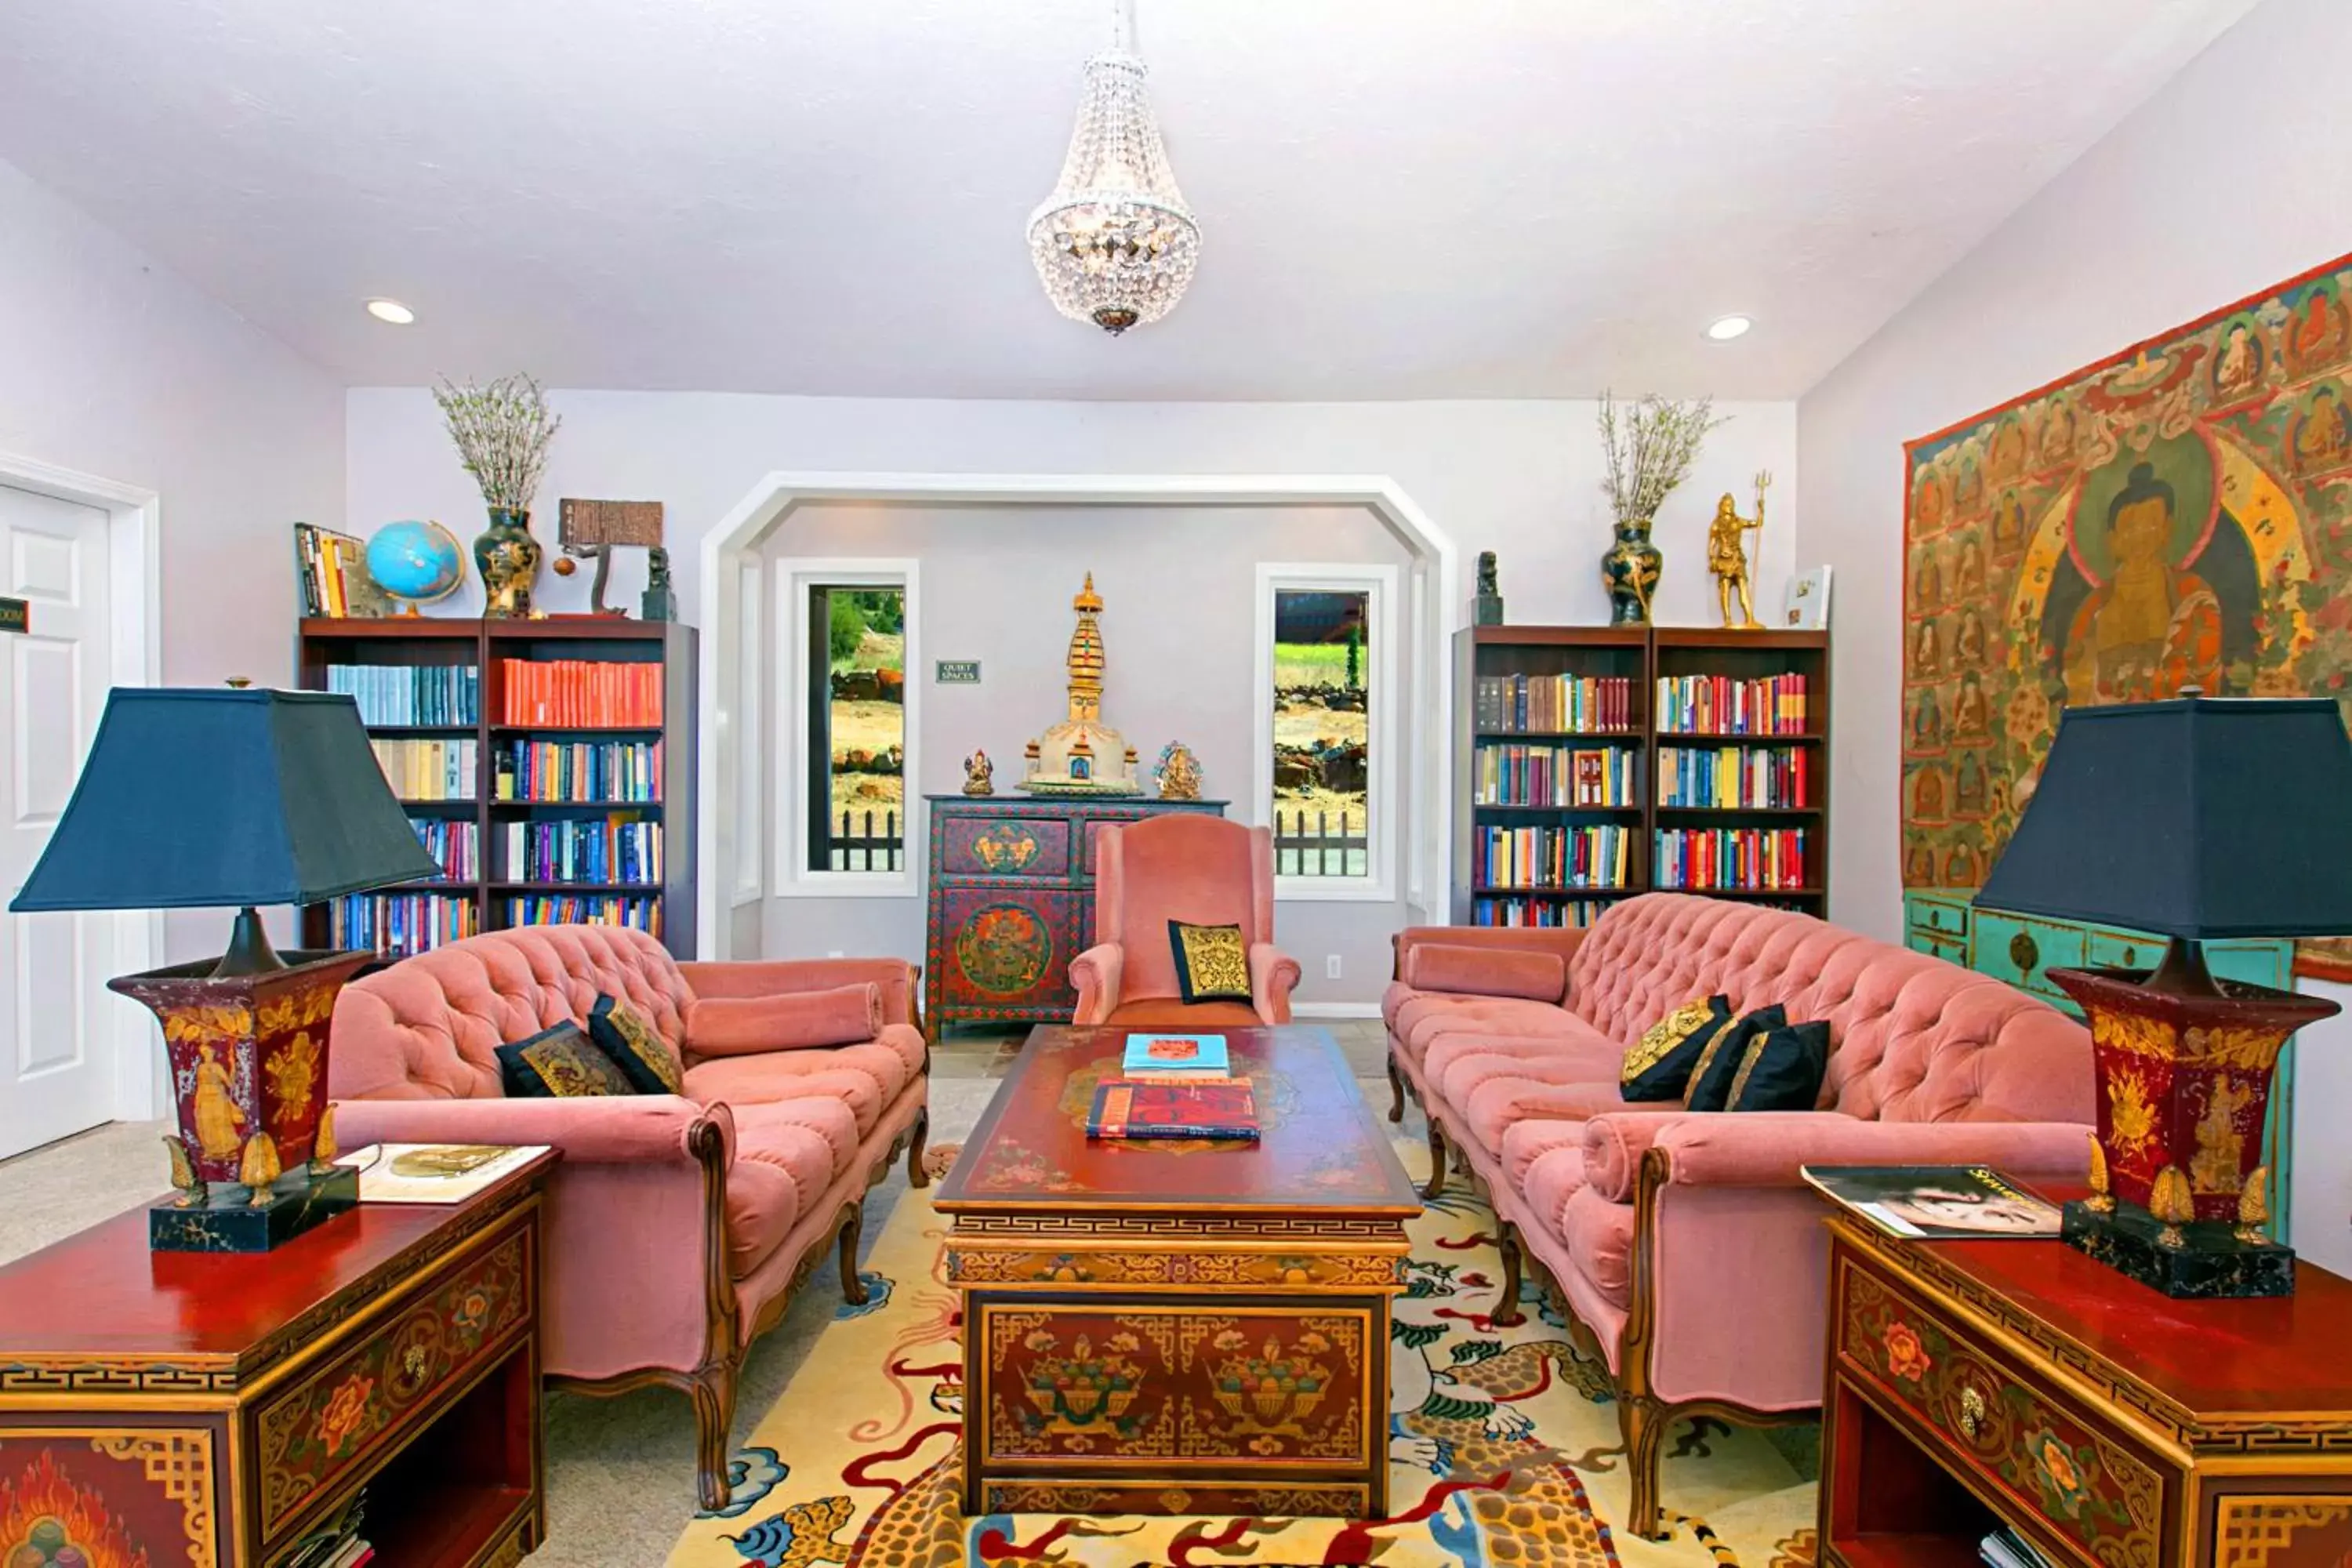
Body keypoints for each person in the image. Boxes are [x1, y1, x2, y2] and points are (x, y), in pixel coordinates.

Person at [2061, 463, 2222, 705]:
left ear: (2168, 529)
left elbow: (2204, 675)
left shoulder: (2193, 597)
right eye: (2129, 527)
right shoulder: (2092, 609)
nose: (2141, 536)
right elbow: (2076, 686)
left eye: (2152, 523)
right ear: (2112, 540)